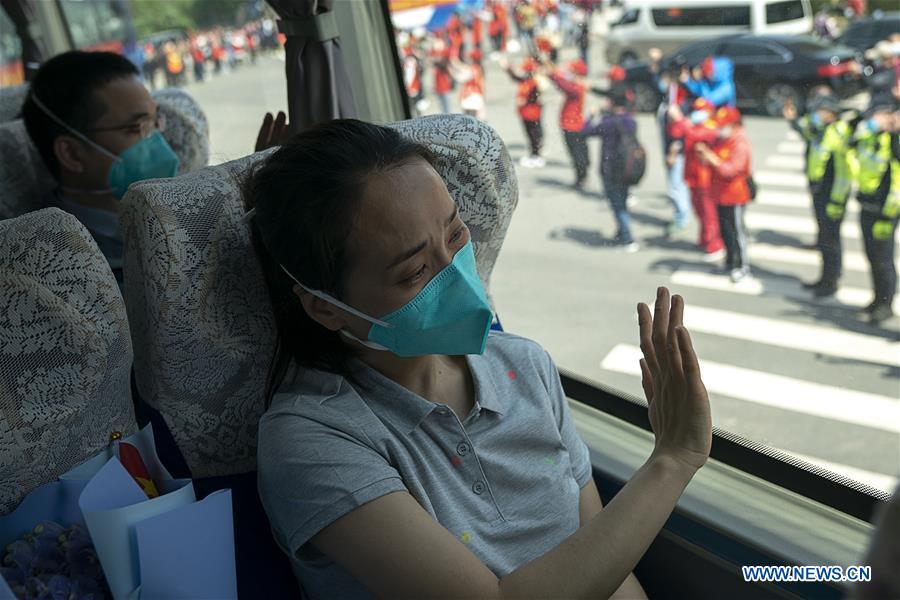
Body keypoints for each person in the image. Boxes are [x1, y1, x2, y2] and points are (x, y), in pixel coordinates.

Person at [245, 118, 712, 600]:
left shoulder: (525, 367)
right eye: (414, 271)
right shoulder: (311, 440)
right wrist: (672, 459)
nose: (456, 275)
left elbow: (602, 565)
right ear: (325, 306)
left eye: (456, 234)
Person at [20, 50, 290, 287]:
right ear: (71, 154)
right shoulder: (54, 261)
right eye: (137, 128)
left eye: (155, 121)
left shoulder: (187, 209)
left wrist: (254, 199)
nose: (160, 141)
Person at [792, 95, 855, 297]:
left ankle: (831, 281)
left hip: (832, 196)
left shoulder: (839, 133)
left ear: (830, 113)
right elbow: (807, 134)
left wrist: (837, 201)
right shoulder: (823, 130)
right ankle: (825, 278)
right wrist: (793, 120)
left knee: (831, 240)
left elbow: (844, 173)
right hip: (820, 192)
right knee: (825, 239)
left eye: (820, 111)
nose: (816, 115)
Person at [851, 94, 899, 325]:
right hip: (867, 204)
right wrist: (867, 124)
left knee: (884, 258)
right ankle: (877, 298)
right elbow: (849, 139)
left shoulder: (896, 140)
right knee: (871, 256)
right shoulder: (871, 136)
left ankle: (886, 305)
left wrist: (895, 130)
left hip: (887, 211)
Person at [695, 106, 753, 282]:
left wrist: (712, 158)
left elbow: (731, 170)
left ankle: (742, 266)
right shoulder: (722, 139)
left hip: (735, 195)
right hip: (719, 193)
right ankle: (730, 261)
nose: (719, 129)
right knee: (725, 230)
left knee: (737, 231)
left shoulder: (740, 142)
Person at [582, 89, 640, 251]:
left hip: (610, 169)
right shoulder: (630, 120)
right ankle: (621, 231)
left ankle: (628, 238)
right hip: (627, 167)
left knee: (617, 204)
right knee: (622, 200)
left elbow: (585, 131)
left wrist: (592, 116)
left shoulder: (608, 123)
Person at [668, 98, 726, 261]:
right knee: (699, 210)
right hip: (693, 176)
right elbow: (675, 132)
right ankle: (705, 239)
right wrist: (676, 120)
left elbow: (694, 134)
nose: (697, 113)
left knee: (709, 213)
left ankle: (715, 244)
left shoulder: (712, 127)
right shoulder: (693, 124)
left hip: (706, 178)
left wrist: (680, 119)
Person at [547, 58, 590, 191]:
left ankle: (581, 178)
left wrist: (552, 75)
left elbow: (564, 86)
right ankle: (582, 175)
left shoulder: (577, 87)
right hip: (575, 124)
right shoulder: (578, 84)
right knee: (579, 152)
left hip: (571, 125)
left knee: (576, 153)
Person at [501, 56, 546, 167]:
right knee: (530, 134)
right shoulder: (527, 79)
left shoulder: (535, 81)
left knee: (534, 134)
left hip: (532, 112)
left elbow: (536, 95)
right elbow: (516, 77)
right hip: (526, 112)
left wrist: (525, 101)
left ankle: (536, 155)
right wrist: (507, 68)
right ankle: (535, 153)